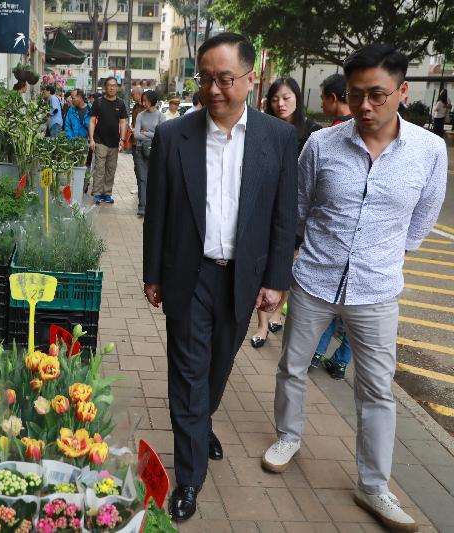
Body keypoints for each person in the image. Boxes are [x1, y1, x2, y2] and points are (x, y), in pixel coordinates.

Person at [263, 44, 447, 532]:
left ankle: (373, 485)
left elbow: (423, 218)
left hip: (378, 289)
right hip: (315, 280)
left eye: (378, 95)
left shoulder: (429, 151)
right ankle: (288, 435)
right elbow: (297, 211)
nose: (366, 106)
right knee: (293, 366)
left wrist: (384, 257)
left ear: (402, 92)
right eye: (356, 95)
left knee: (377, 390)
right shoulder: (322, 145)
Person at [143, 32, 297, 522]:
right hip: (189, 276)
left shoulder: (278, 138)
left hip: (243, 280)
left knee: (217, 367)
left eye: (224, 79)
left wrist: (276, 279)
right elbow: (159, 213)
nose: (213, 89)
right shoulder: (175, 135)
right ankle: (189, 480)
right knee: (187, 376)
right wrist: (153, 274)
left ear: (250, 80)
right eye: (205, 78)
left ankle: (200, 422)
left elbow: (282, 217)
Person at [250, 77, 321, 349]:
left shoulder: (313, 134)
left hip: (298, 213)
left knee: (289, 267)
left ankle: (279, 311)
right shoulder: (263, 130)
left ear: (298, 99)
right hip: (268, 209)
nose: (281, 104)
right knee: (266, 264)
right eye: (276, 98)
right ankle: (261, 325)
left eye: (287, 97)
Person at [311, 72, 354, 379]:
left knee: (332, 305)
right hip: (358, 262)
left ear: (333, 99)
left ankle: (317, 351)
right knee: (350, 315)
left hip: (332, 254)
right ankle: (339, 361)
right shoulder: (324, 138)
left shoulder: (330, 137)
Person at [89, 77, 128, 205]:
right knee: (99, 168)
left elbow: (123, 122)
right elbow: (92, 121)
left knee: (111, 169)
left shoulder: (121, 103)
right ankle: (97, 193)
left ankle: (107, 193)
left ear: (117, 87)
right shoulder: (98, 102)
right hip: (100, 140)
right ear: (105, 87)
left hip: (114, 142)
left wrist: (122, 139)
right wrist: (91, 139)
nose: (112, 88)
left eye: (114, 85)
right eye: (109, 85)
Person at [133, 90, 164, 217]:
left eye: (145, 100)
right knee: (142, 178)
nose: (143, 102)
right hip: (140, 150)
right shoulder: (140, 115)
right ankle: (142, 207)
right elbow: (136, 134)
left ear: (152, 101)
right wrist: (152, 135)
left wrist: (146, 133)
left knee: (154, 179)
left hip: (156, 151)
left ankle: (153, 206)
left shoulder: (160, 116)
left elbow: (162, 135)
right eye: (143, 100)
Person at [129, 86, 146, 204]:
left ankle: (143, 198)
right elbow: (134, 122)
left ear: (139, 94)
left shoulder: (146, 107)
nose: (131, 95)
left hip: (144, 143)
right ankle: (141, 192)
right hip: (134, 142)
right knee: (137, 169)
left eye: (133, 94)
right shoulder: (135, 106)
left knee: (142, 171)